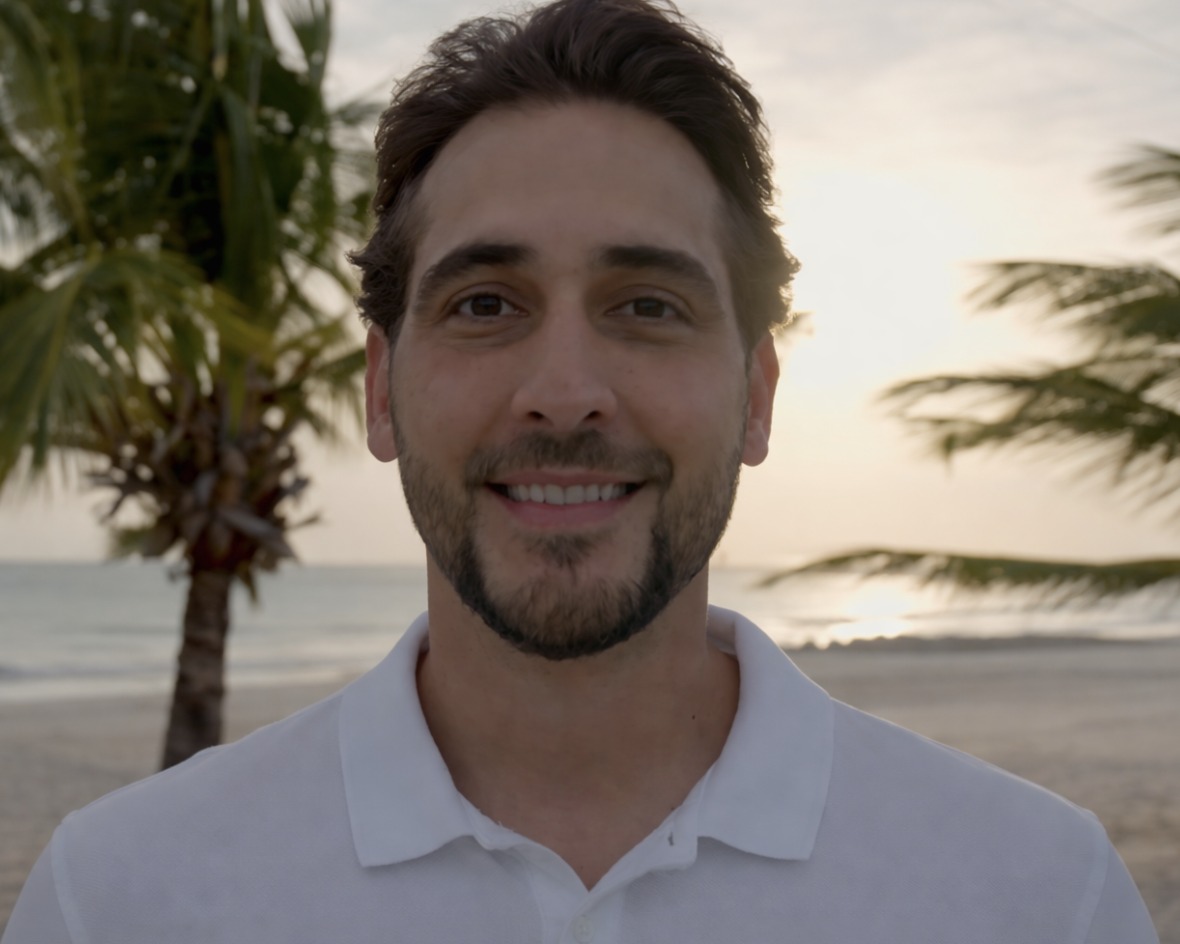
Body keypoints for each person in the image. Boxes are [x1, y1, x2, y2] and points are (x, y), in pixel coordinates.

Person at [2, 0, 1159, 941]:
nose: (564, 390)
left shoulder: (1033, 894)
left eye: (646, 305)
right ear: (379, 390)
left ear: (756, 395)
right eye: (485, 303)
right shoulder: (120, 899)